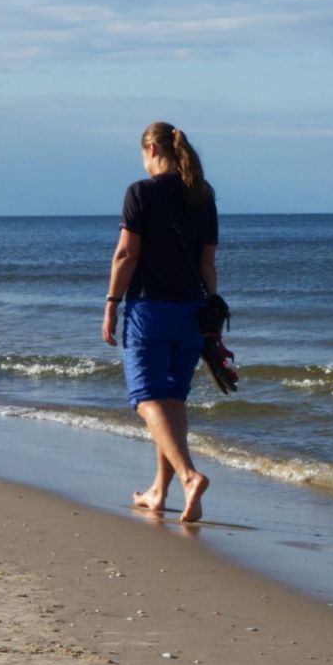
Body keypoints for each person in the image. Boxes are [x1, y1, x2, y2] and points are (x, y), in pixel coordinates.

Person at [102, 122, 216, 523]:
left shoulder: (140, 192)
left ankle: (188, 476)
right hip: (190, 314)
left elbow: (126, 256)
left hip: (149, 310)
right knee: (172, 401)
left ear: (150, 148)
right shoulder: (202, 195)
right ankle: (158, 491)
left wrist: (112, 302)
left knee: (145, 400)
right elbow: (207, 264)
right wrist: (211, 320)